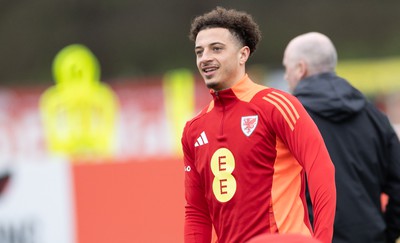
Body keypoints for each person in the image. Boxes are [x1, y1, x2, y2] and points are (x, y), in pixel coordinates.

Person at [181, 7, 336, 243]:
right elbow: (196, 211)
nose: (205, 58)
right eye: (199, 52)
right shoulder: (194, 129)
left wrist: (322, 240)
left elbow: (321, 171)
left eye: (217, 49)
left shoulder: (276, 105)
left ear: (243, 55)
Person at [282, 32, 400, 243]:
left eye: (286, 68)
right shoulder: (374, 116)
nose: (285, 76)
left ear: (301, 68)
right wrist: (386, 233)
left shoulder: (288, 119)